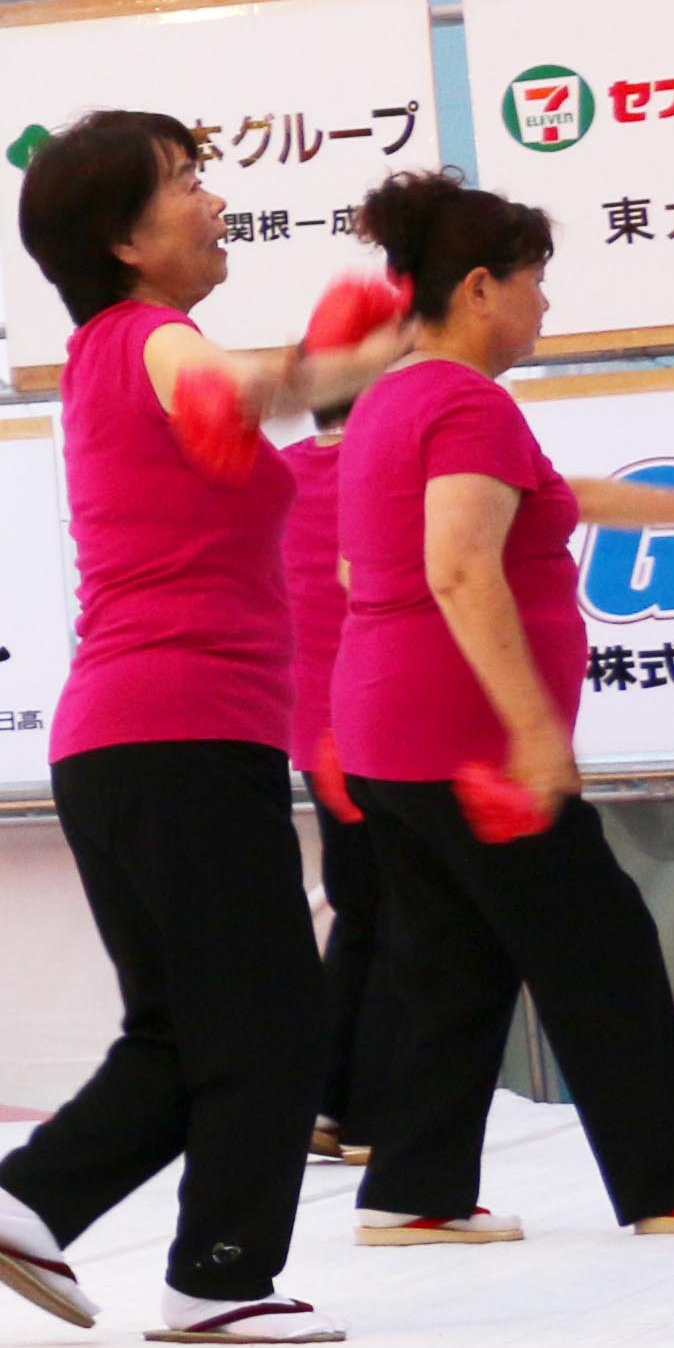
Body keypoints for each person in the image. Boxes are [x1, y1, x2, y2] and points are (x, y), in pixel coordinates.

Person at [0, 118, 407, 1345]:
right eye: (188, 184)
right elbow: (233, 389)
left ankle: (28, 1202)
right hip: (179, 732)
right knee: (271, 1022)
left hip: (136, 737)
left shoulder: (110, 348)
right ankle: (219, 1276)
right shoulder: (156, 341)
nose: (212, 201)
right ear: (124, 240)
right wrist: (327, 356)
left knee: (191, 1026)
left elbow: (248, 410)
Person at [326, 167, 674, 1248]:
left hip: (395, 738)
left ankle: (415, 1188)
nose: (548, 304)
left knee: (454, 962)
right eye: (539, 281)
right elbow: (458, 568)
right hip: (470, 746)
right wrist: (535, 731)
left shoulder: (402, 399)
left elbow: (554, 501)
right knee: (599, 947)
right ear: (483, 286)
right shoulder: (459, 400)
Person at [287, 390, 387, 1168]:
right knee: (403, 920)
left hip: (314, 732)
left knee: (362, 915)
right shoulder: (393, 467)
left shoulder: (278, 479)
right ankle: (361, 1111)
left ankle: (330, 1101)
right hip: (393, 719)